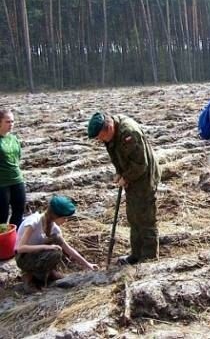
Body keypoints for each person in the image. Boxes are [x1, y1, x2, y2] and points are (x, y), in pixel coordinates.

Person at [88, 111, 161, 265]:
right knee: (133, 216)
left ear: (108, 128)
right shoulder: (111, 133)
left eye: (100, 137)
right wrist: (119, 173)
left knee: (145, 218)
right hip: (133, 178)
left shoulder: (128, 133)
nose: (100, 141)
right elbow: (119, 155)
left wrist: (126, 177)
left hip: (144, 179)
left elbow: (141, 164)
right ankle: (136, 255)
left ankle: (148, 258)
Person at [15, 195, 98, 292]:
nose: (65, 221)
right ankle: (28, 276)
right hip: (23, 257)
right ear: (55, 215)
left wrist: (88, 264)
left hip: (36, 254)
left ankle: (49, 272)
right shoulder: (33, 222)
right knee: (54, 252)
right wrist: (46, 247)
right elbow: (19, 248)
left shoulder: (54, 228)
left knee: (57, 241)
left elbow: (68, 249)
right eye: (64, 218)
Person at [0, 109, 26, 229]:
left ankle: (14, 240)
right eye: (7, 122)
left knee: (19, 211)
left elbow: (18, 157)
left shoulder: (13, 138)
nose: (11, 124)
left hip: (17, 179)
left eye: (12, 121)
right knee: (2, 215)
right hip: (2, 183)